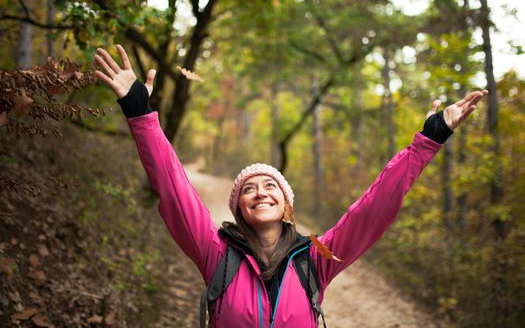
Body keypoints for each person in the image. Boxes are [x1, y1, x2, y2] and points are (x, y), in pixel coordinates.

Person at [94, 45, 486, 328]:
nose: (260, 191)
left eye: (271, 186)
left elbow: (372, 209)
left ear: (286, 205)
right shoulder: (216, 255)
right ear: (239, 208)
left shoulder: (315, 260)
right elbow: (173, 188)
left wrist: (428, 141)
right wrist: (141, 114)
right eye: (249, 189)